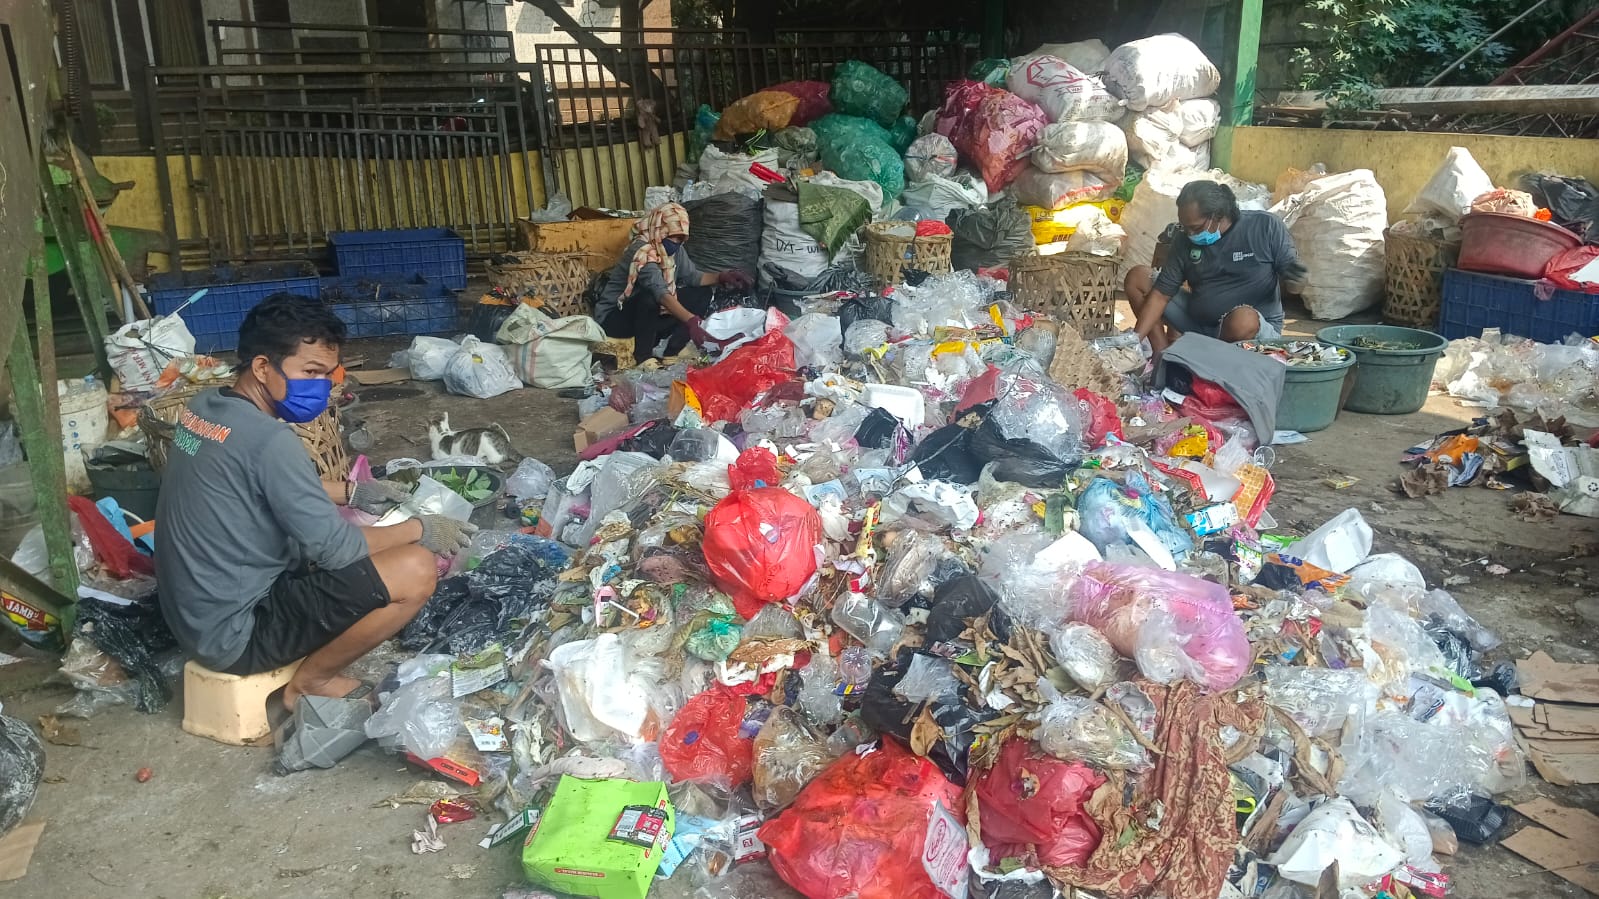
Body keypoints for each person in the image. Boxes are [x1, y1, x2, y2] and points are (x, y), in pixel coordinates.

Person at [155, 293, 477, 709]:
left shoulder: (207, 408)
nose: (322, 387)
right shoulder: (270, 440)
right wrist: (421, 529)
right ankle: (312, 682)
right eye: (310, 372)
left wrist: (352, 492)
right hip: (237, 635)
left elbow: (260, 481)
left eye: (327, 374)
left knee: (359, 545)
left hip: (192, 616)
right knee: (415, 568)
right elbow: (337, 550)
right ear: (262, 367)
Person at [1125, 180, 1309, 353]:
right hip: (1198, 324)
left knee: (1243, 320)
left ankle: (1209, 359)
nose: (1189, 234)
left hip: (1250, 331)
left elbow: (1295, 285)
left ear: (1218, 215)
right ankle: (1162, 354)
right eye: (1185, 227)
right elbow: (1161, 294)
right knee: (1138, 277)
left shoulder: (1265, 226)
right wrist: (1133, 340)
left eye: (1196, 228)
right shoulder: (1184, 239)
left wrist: (1296, 281)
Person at [593, 202, 754, 364]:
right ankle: (643, 357)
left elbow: (693, 277)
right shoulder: (642, 252)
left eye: (682, 238)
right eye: (675, 237)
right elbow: (660, 292)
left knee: (702, 293)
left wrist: (721, 277)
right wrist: (692, 321)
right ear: (660, 230)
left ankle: (672, 351)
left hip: (645, 318)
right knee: (650, 298)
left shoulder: (674, 250)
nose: (678, 243)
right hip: (614, 319)